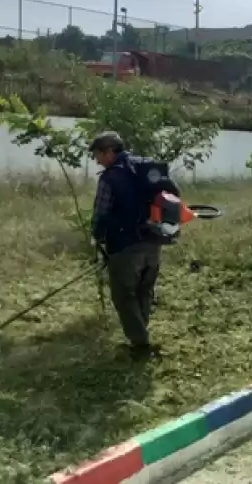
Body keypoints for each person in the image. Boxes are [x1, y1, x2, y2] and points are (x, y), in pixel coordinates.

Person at [90, 131, 169, 359]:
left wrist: (96, 236)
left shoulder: (109, 178)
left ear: (109, 152)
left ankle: (140, 344)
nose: (97, 160)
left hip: (126, 246)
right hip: (154, 240)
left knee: (124, 295)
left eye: (98, 155)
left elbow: (101, 212)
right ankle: (141, 332)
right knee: (144, 289)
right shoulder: (145, 167)